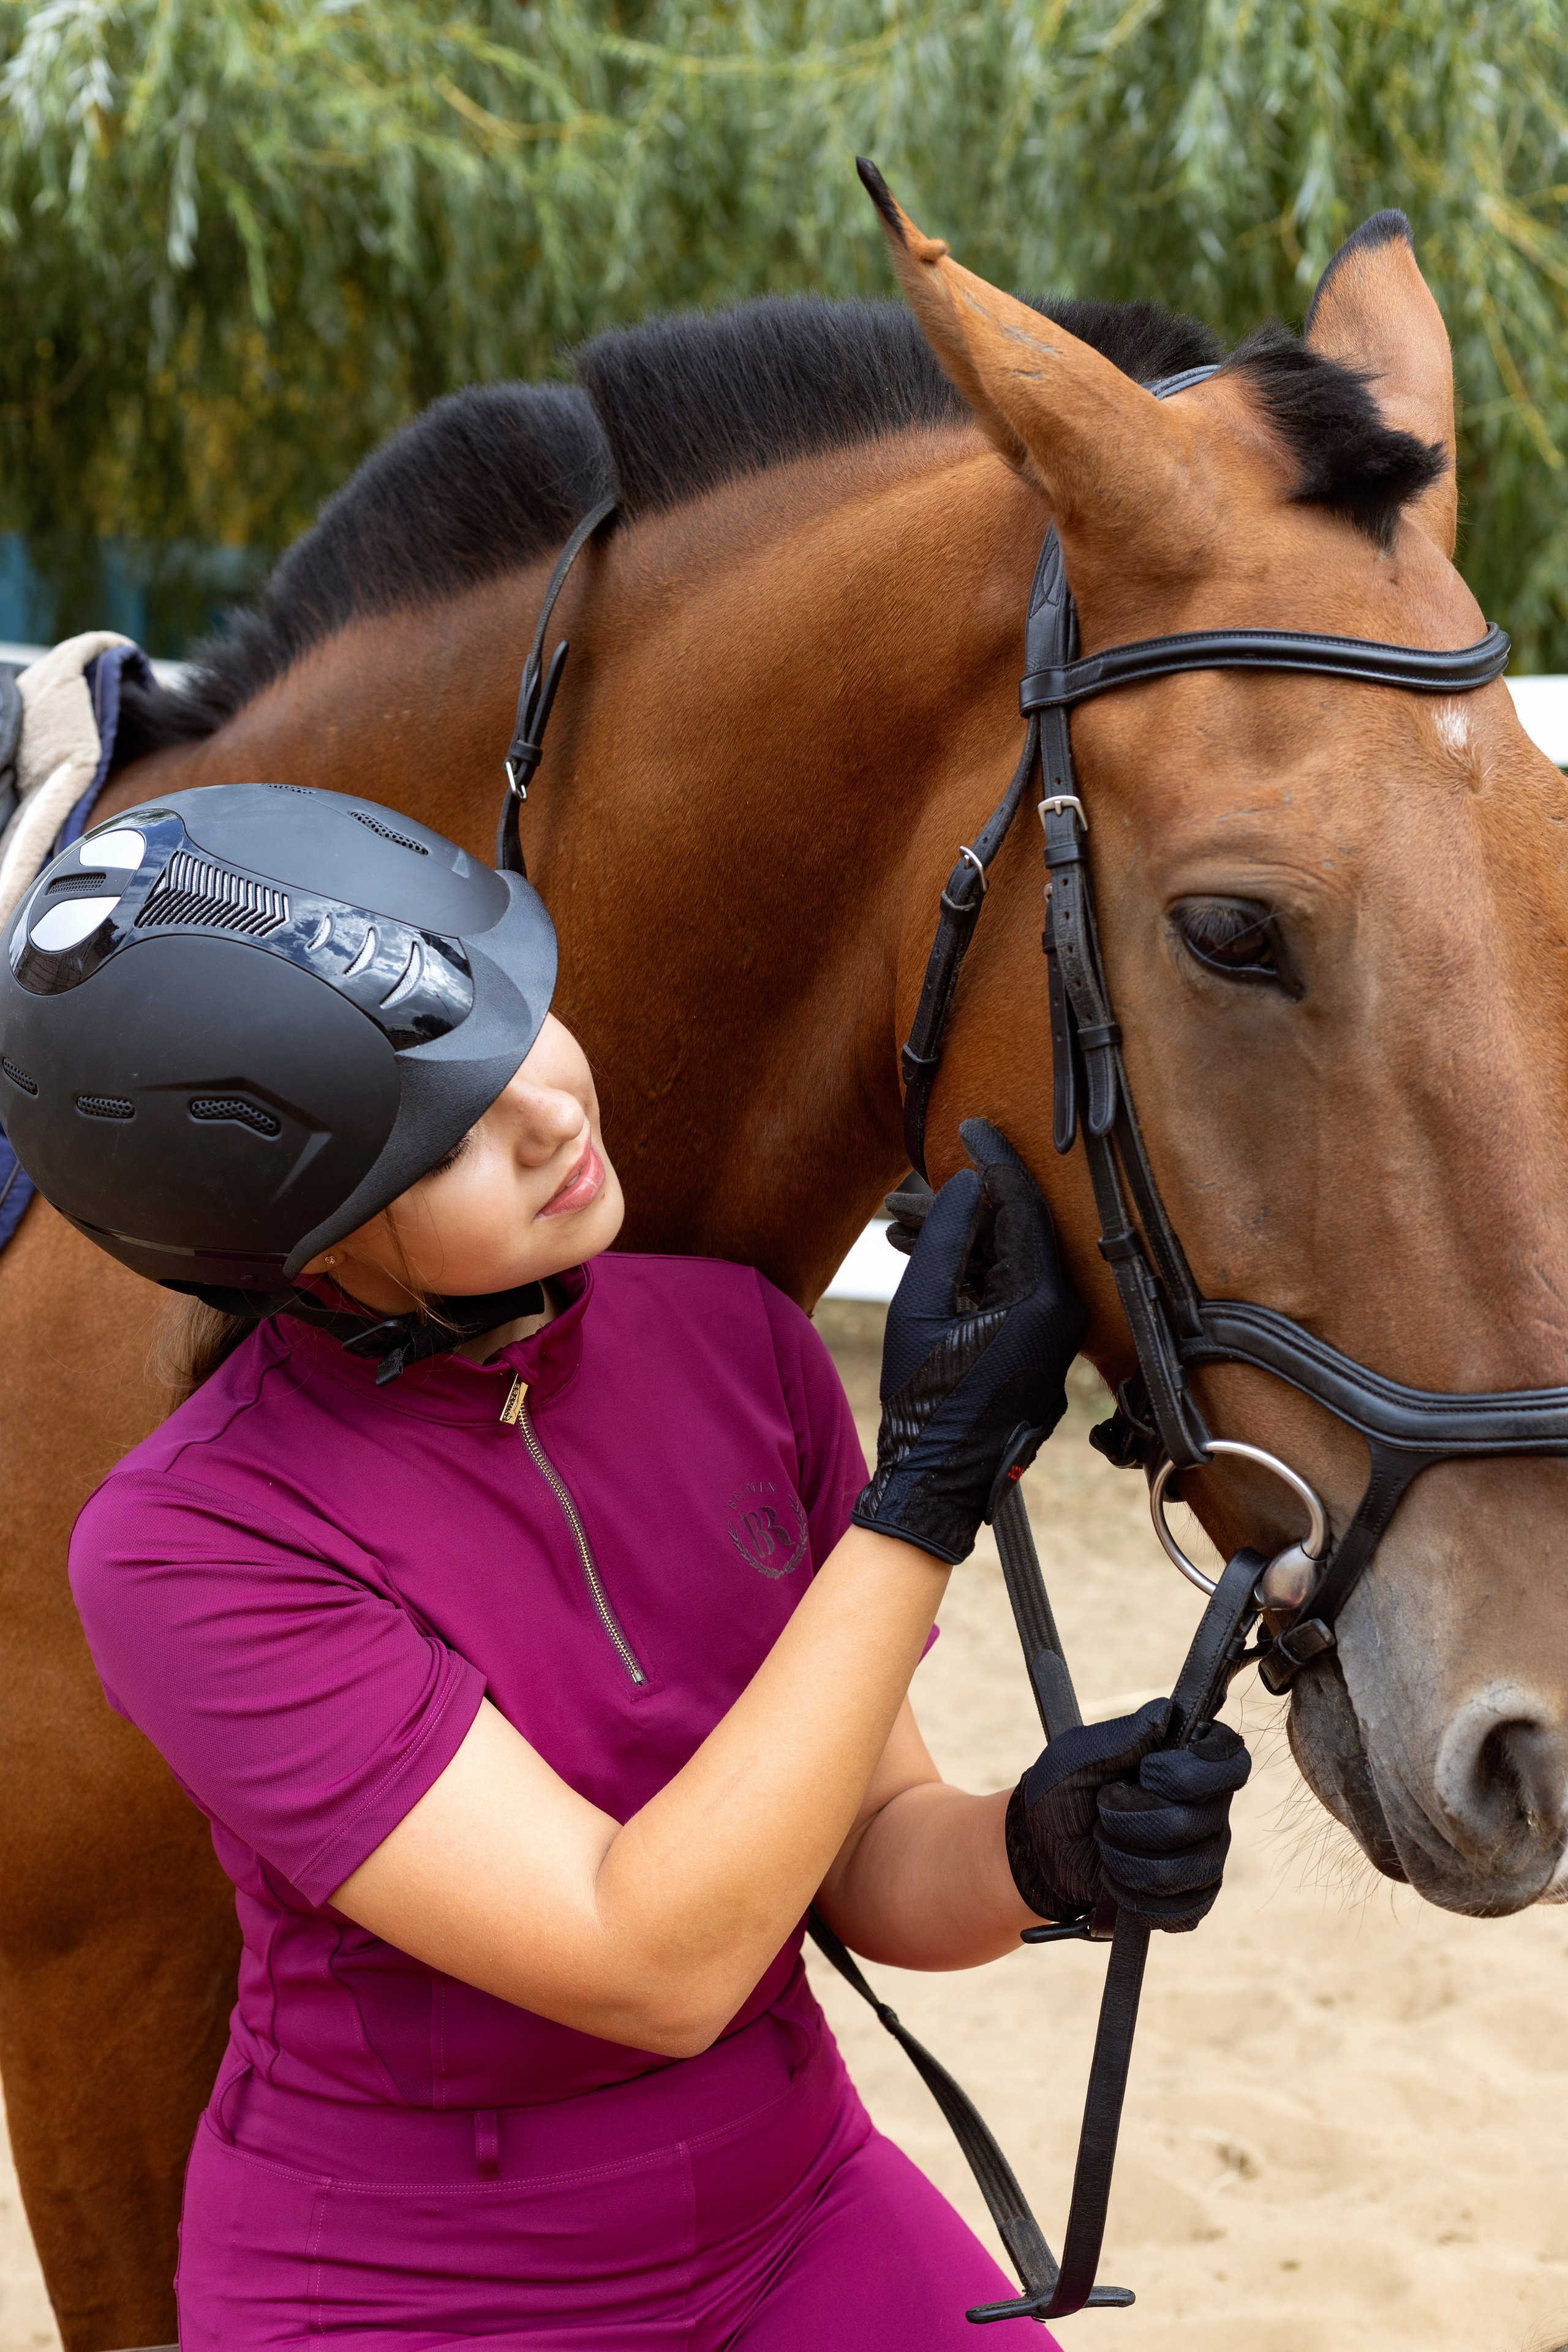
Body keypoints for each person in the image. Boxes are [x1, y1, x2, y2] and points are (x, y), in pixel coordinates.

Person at [0, 784, 1249, 2349]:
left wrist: (1040, 1850)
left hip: (792, 2205)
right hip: (417, 2296)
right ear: (291, 1245)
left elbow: (861, 1859)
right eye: (442, 1131)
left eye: (515, 1018)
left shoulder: (741, 1345)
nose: (547, 1113)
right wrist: (922, 1497)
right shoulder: (191, 1547)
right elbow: (648, 1961)